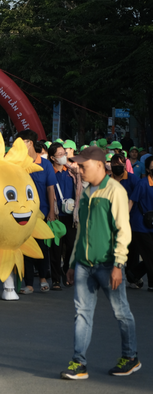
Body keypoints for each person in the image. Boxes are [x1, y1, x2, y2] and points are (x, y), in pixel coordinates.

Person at [61, 146, 139, 380]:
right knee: (81, 314)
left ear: (97, 164)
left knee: (121, 312)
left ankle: (130, 356)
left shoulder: (114, 191)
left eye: (83, 165)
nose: (79, 169)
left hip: (108, 264)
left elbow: (123, 230)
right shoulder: (86, 192)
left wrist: (118, 264)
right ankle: (79, 363)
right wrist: (73, 263)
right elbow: (81, 231)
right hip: (84, 265)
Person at [17, 130, 56, 294]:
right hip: (23, 214)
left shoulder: (45, 164)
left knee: (41, 248)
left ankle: (43, 278)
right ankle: (28, 284)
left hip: (42, 213)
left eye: (21, 142)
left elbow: (50, 188)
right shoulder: (18, 163)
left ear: (29, 143)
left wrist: (52, 211)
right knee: (25, 247)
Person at [48, 143, 77, 290]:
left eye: (64, 153)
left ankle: (66, 270)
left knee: (71, 246)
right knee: (56, 248)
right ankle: (55, 279)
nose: (63, 156)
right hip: (56, 215)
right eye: (60, 154)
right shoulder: (50, 172)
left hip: (71, 216)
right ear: (52, 157)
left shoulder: (71, 172)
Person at [127, 155, 153, 291]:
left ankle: (133, 274)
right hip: (140, 224)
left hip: (151, 224)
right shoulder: (143, 184)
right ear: (148, 169)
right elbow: (132, 201)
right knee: (150, 254)